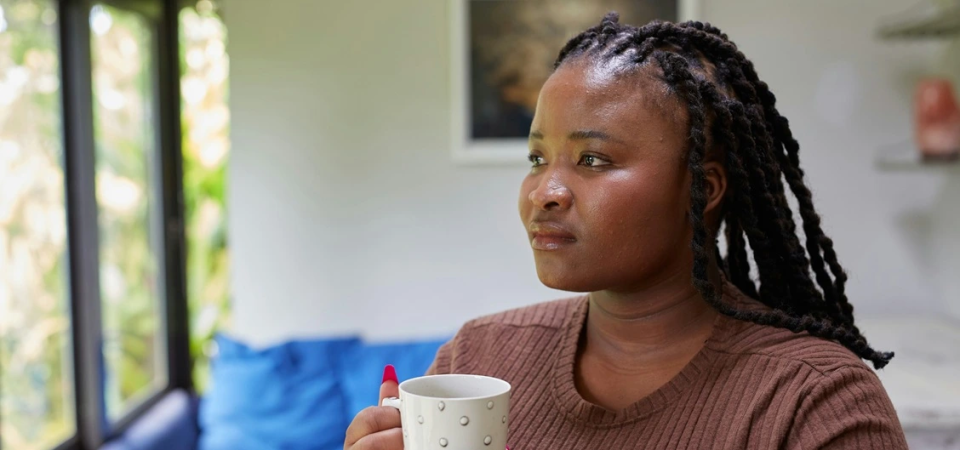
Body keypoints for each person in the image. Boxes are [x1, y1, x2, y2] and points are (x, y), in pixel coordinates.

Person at [344, 14, 907, 450]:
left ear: (703, 188)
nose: (546, 192)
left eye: (592, 159)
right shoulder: (477, 356)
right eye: (538, 159)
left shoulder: (813, 401)